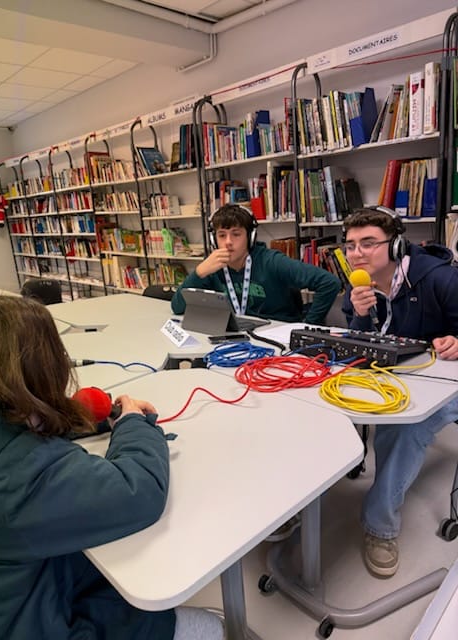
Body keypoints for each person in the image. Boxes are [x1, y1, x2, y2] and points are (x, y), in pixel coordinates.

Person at [0, 292, 224, 640]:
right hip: (27, 624)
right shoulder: (21, 478)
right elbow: (138, 489)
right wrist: (133, 423)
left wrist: (72, 415)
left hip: (8, 589)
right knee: (209, 628)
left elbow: (13, 426)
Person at [342, 207, 458, 578]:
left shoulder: (440, 278)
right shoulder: (358, 287)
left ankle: (380, 527)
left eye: (368, 243)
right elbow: (359, 344)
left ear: (395, 246)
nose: (357, 253)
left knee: (404, 426)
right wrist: (360, 315)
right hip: (392, 376)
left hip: (446, 379)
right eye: (350, 245)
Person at [171, 204, 341, 324]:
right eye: (222, 235)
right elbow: (177, 307)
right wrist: (198, 273)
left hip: (277, 335)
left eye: (236, 234)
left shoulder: (272, 261)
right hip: (237, 336)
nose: (228, 242)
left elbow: (329, 282)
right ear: (213, 240)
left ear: (250, 237)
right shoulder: (212, 266)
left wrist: (308, 326)